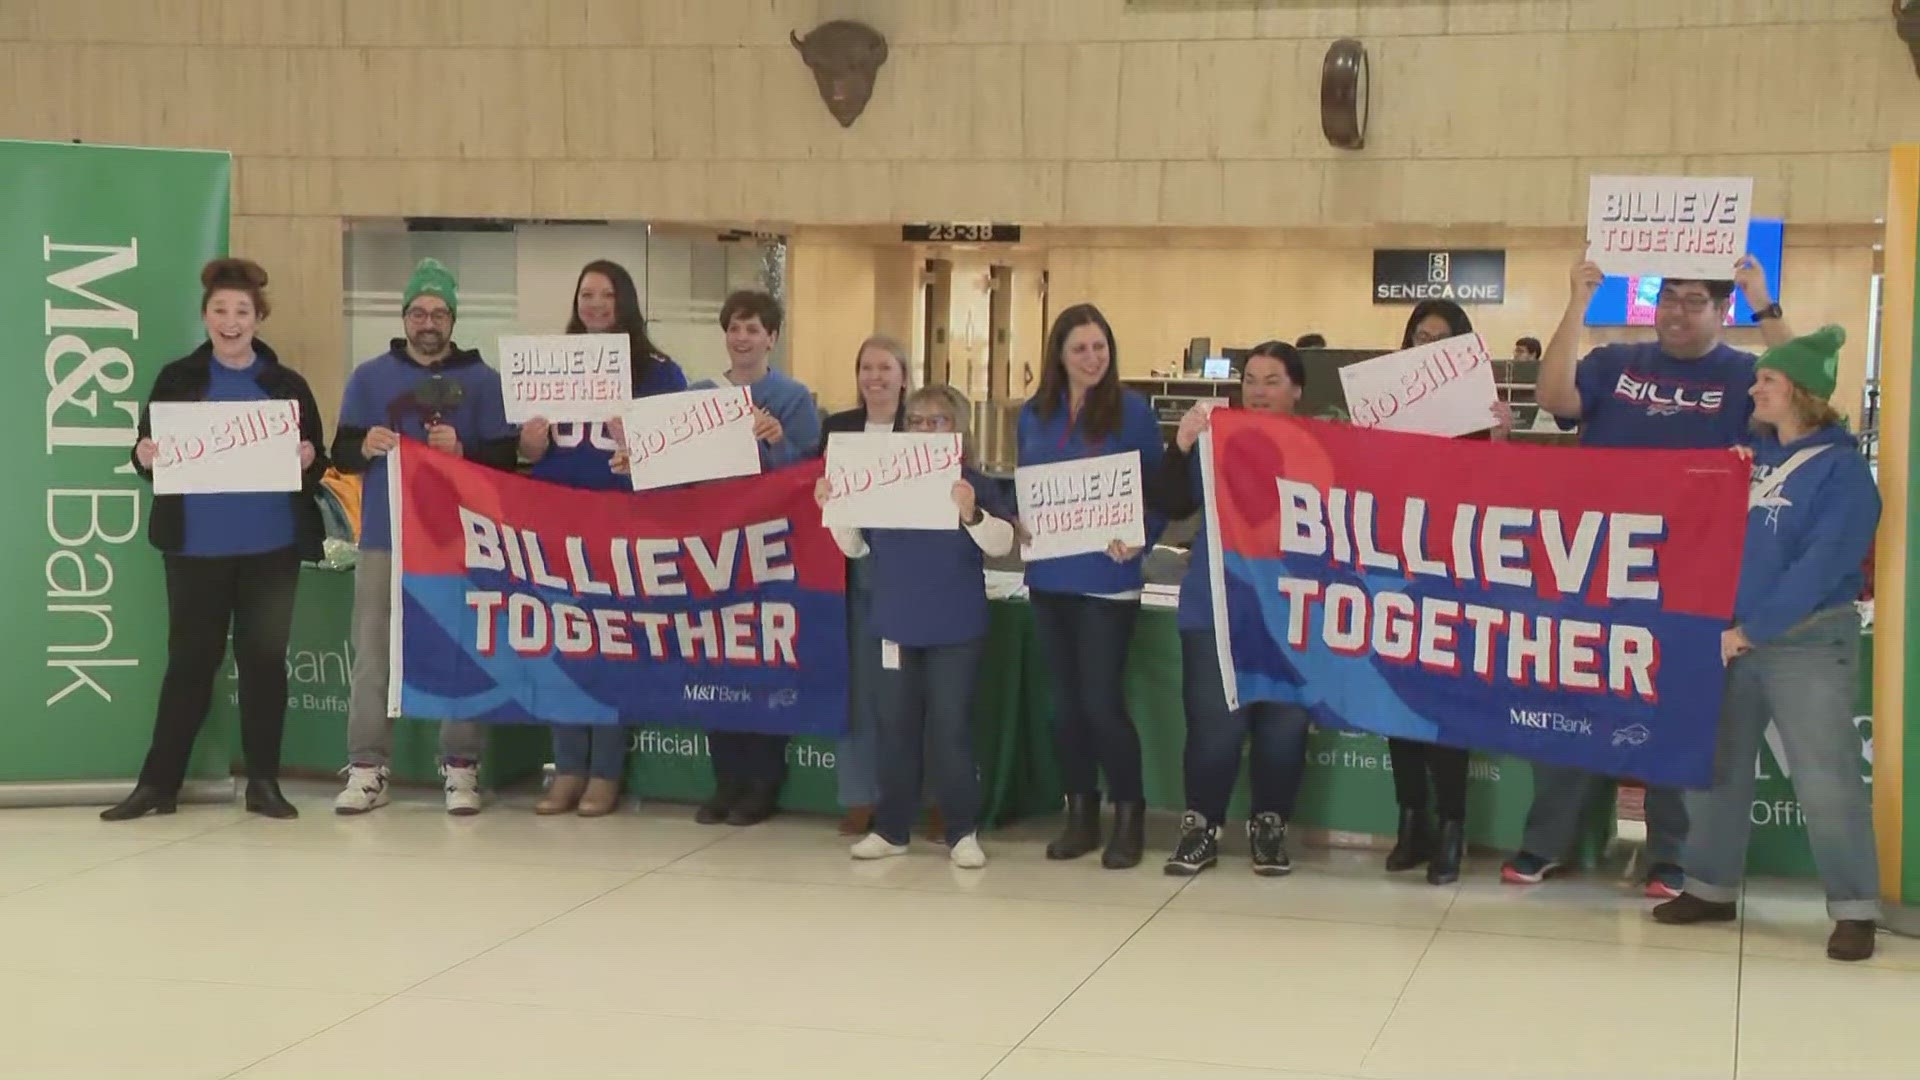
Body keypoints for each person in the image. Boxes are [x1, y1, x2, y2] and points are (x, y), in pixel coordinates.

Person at [1516, 254, 1796, 897]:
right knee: (1576, 697)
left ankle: (1671, 853)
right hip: (1600, 566)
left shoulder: (1744, 375)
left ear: (1721, 309)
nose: (1676, 311)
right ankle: (1545, 842)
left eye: (1694, 300)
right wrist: (1576, 302)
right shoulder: (1615, 362)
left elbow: (1801, 395)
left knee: (1681, 708)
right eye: (1668, 297)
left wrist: (1764, 299)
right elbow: (1555, 397)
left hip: (1693, 571)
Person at [1652, 326, 1882, 962]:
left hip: (1804, 641)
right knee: (1716, 769)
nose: (1754, 388)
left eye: (1769, 381)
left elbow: (1819, 565)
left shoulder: (1842, 475)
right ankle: (1709, 886)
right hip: (1730, 637)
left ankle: (1855, 908)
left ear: (1802, 394)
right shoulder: (1747, 460)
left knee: (1826, 778)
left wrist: (1753, 629)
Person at [104, 258, 329, 822]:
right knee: (189, 664)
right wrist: (143, 455)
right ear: (205, 316)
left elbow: (317, 460)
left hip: (270, 550)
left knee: (264, 665)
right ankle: (158, 785)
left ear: (258, 318)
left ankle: (264, 784)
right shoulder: (177, 379)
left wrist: (307, 458)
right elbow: (147, 453)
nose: (231, 321)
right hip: (194, 549)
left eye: (242, 312)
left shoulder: (286, 385)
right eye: (220, 311)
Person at [331, 258, 518, 816]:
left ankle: (461, 768)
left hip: (459, 543)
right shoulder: (369, 377)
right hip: (385, 538)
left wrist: (464, 453)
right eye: (418, 312)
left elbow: (507, 463)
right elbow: (340, 449)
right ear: (405, 318)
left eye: (438, 312)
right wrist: (363, 446)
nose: (428, 322)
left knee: (462, 650)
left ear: (453, 319)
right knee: (373, 653)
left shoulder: (484, 383)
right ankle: (366, 767)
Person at [820, 385, 1016, 869]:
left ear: (958, 431)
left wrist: (971, 512)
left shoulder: (972, 482)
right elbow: (857, 548)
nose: (926, 429)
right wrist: (836, 508)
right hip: (895, 622)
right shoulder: (885, 482)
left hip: (955, 626)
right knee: (895, 728)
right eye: (918, 421)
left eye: (938, 421)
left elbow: (1002, 543)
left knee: (950, 729)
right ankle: (891, 829)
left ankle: (961, 831)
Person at [521, 260, 687, 817]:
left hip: (620, 522)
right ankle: (566, 766)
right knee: (561, 642)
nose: (594, 303)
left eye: (606, 294)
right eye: (585, 293)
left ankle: (606, 771)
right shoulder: (549, 363)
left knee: (610, 646)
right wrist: (532, 444)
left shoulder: (658, 370)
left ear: (626, 301)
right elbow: (527, 454)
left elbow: (674, 456)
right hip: (557, 518)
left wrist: (637, 443)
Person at [1147, 342, 1312, 876]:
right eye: (1251, 380)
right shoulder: (1216, 441)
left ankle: (1270, 827)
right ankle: (1201, 827)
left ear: (1297, 390)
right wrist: (1182, 445)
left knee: (1284, 729)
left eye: (1272, 380)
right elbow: (1172, 503)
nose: (1259, 390)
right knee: (1214, 726)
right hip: (1217, 606)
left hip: (1292, 611)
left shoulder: (1322, 448)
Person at [1018, 302, 1167, 870]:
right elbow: (1026, 485)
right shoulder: (1034, 413)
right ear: (1059, 353)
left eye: (1100, 347)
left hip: (1108, 578)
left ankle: (1128, 814)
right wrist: (1019, 518)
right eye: (1079, 348)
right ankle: (1079, 814)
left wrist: (1141, 538)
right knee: (1065, 708)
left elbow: (1157, 493)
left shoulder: (1132, 412)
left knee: (1102, 703)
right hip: (1050, 575)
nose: (1091, 357)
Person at [1381, 299, 1515, 885]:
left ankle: (1452, 826)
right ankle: (1411, 820)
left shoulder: (1473, 409)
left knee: (1442, 710)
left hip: (1453, 574)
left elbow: (1500, 492)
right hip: (1394, 568)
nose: (1426, 344)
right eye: (1418, 335)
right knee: (1393, 705)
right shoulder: (1383, 401)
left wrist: (1501, 440)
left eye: (1439, 337)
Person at [685, 290, 823, 827]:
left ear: (771, 337)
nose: (742, 338)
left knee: (762, 665)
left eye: (753, 329)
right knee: (717, 662)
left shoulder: (791, 397)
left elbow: (808, 470)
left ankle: (762, 782)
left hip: (769, 551)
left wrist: (778, 441)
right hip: (714, 549)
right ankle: (726, 780)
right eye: (734, 328)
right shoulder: (698, 395)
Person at [816, 335, 908, 837]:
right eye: (866, 368)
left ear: (903, 376)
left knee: (918, 695)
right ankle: (858, 797)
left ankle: (931, 796)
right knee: (860, 691)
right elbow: (808, 485)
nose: (875, 377)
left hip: (915, 580)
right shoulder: (838, 429)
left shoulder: (921, 427)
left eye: (885, 368)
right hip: (852, 577)